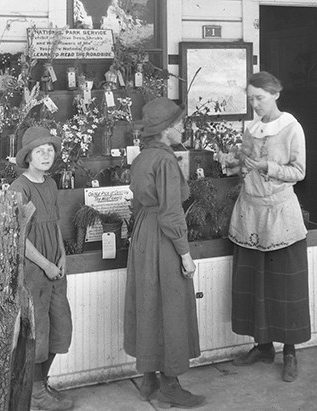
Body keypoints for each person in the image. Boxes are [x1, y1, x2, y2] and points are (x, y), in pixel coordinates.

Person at [224, 71, 311, 382]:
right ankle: (262, 347)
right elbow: (244, 169)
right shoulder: (252, 128)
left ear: (276, 94)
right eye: (251, 99)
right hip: (250, 212)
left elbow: (298, 171)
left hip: (279, 215)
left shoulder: (291, 128)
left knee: (283, 284)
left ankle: (289, 352)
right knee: (255, 282)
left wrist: (266, 166)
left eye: (259, 98)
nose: (255, 104)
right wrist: (235, 163)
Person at [123, 97, 206, 409]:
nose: (182, 128)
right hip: (163, 236)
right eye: (179, 124)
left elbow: (137, 204)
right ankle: (170, 386)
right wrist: (185, 254)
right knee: (171, 305)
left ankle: (149, 380)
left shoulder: (144, 157)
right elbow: (172, 214)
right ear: (166, 130)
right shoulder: (167, 161)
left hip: (144, 233)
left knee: (148, 302)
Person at [10, 126, 73, 410]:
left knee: (60, 326)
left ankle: (42, 384)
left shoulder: (50, 183)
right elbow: (18, 239)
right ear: (28, 157)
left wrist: (61, 257)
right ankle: (35, 393)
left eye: (50, 150)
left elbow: (54, 224)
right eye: (40, 151)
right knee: (38, 332)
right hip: (34, 271)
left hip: (54, 269)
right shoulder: (19, 189)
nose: (47, 155)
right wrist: (46, 264)